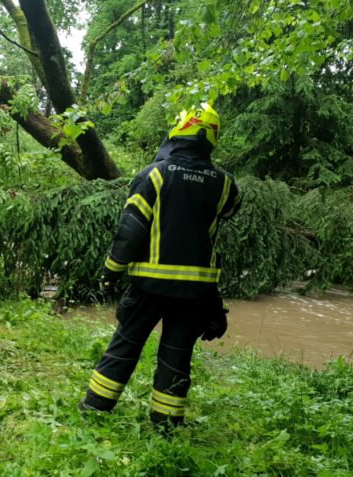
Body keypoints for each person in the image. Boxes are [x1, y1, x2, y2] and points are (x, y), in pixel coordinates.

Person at [79, 103, 242, 430]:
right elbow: (226, 212)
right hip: (195, 291)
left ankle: (95, 408)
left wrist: (109, 274)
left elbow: (130, 233)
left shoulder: (153, 176)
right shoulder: (226, 185)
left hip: (148, 285)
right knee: (177, 355)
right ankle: (166, 423)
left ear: (179, 130)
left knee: (126, 343)